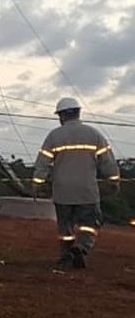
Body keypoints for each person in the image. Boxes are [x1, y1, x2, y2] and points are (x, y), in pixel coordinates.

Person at [32, 97, 119, 272]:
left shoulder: (54, 136)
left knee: (65, 227)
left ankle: (66, 256)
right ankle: (81, 247)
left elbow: (42, 163)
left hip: (62, 191)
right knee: (90, 223)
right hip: (87, 191)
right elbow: (107, 162)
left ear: (61, 116)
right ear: (78, 113)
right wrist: (113, 180)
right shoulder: (94, 134)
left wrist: (37, 184)